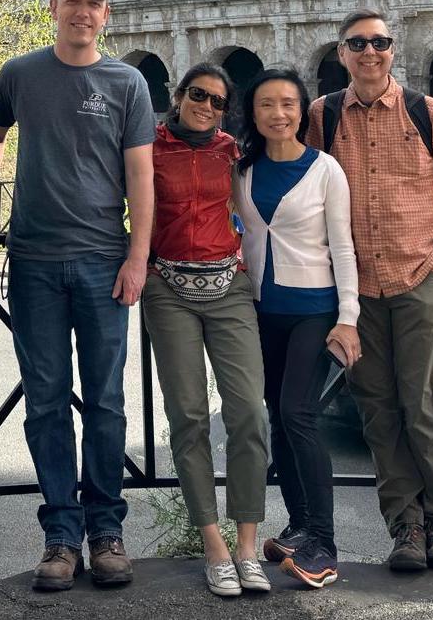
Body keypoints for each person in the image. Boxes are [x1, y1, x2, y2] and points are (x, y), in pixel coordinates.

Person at [0, 0, 155, 591]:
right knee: (47, 400)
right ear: (54, 7)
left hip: (104, 260)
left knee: (105, 402)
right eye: (73, 2)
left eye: (94, 4)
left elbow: (141, 175)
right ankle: (61, 535)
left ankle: (106, 529)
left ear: (106, 15)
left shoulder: (127, 81)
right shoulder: (20, 74)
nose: (83, 12)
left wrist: (138, 255)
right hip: (32, 261)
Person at [305, 9, 433, 572]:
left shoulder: (430, 113)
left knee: (423, 403)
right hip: (355, 288)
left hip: (417, 276)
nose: (369, 52)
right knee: (376, 407)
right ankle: (403, 525)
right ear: (342, 51)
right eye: (358, 43)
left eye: (379, 42)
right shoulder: (323, 115)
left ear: (393, 49)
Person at [143, 63, 270, 598]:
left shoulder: (233, 151)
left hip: (228, 284)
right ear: (178, 95)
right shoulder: (147, 146)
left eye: (218, 101)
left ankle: (247, 544)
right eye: (198, 95)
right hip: (166, 286)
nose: (207, 106)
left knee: (248, 412)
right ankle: (213, 545)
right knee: (189, 415)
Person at [233, 67, 359, 590]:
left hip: (315, 307)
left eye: (288, 104)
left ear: (302, 111)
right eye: (266, 104)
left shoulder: (325, 169)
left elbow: (343, 245)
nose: (278, 114)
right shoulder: (242, 170)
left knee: (297, 413)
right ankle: (299, 523)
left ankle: (324, 542)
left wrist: (348, 317)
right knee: (277, 419)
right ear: (253, 113)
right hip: (261, 309)